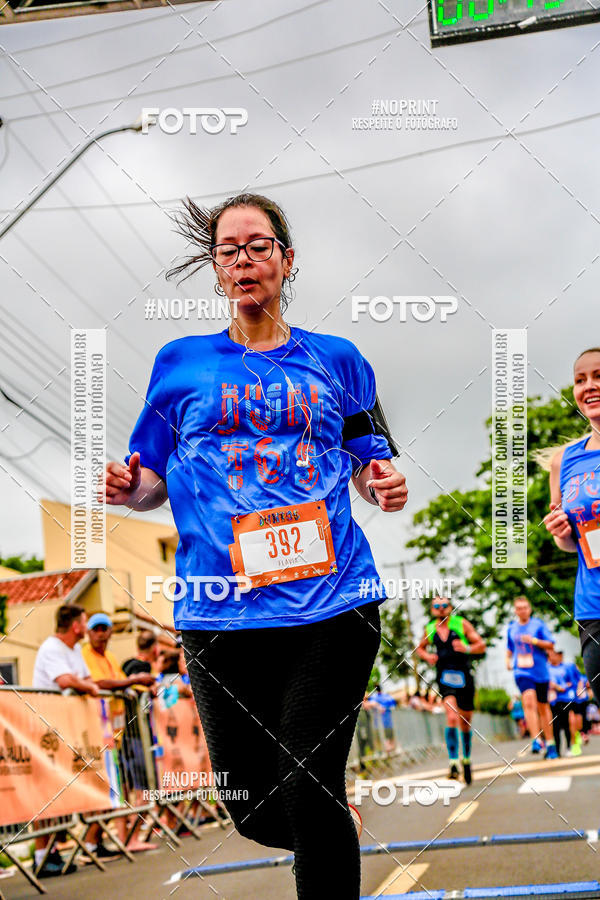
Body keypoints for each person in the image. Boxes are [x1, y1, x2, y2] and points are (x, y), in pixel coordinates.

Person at [104, 193, 408, 900]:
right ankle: (330, 823)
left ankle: (324, 823)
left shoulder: (338, 360)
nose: (243, 259)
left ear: (286, 260)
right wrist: (128, 487)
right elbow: (149, 482)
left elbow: (372, 460)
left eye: (258, 245)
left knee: (307, 781)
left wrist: (383, 483)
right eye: (228, 249)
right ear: (215, 268)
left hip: (330, 605)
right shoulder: (179, 364)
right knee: (253, 807)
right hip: (218, 612)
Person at [541, 348, 600, 706]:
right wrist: (561, 531)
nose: (589, 386)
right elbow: (569, 545)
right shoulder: (564, 461)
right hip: (593, 605)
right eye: (581, 380)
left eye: (598, 376)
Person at [82, 613, 158, 852]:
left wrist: (140, 685)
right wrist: (135, 682)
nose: (101, 633)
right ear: (88, 631)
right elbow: (100, 684)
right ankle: (94, 842)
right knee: (112, 790)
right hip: (96, 733)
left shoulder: (111, 657)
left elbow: (121, 681)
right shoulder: (85, 654)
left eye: (105, 629)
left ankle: (110, 841)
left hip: (117, 733)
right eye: (97, 629)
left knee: (119, 789)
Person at [32, 604, 99, 877]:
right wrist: (88, 687)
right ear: (76, 626)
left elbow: (85, 679)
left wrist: (88, 685)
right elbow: (65, 681)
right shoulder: (52, 648)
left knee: (60, 791)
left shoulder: (72, 650)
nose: (87, 627)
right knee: (45, 793)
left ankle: (54, 852)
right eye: (85, 622)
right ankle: (41, 856)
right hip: (46, 728)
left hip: (67, 728)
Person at [415, 597, 486, 784]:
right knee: (452, 716)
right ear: (432, 610)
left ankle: (467, 759)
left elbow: (481, 645)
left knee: (465, 721)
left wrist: (467, 648)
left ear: (451, 608)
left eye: (444, 606)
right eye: (436, 606)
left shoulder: (461, 624)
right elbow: (419, 649)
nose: (440, 609)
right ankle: (453, 761)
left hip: (464, 675)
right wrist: (428, 656)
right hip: (444, 677)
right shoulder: (429, 629)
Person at [506, 597, 557, 759]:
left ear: (530, 609)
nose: (522, 610)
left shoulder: (538, 625)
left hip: (540, 671)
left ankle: (550, 743)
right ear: (515, 610)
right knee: (528, 700)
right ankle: (537, 740)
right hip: (521, 671)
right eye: (519, 608)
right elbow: (509, 648)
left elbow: (551, 644)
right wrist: (507, 660)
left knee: (543, 707)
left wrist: (533, 640)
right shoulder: (511, 628)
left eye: (525, 607)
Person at [547, 648, 573, 756]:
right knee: (555, 726)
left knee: (566, 724)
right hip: (553, 701)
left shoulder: (566, 668)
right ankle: (557, 750)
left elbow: (572, 682)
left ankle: (568, 748)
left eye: (554, 655)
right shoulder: (547, 669)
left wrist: (562, 687)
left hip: (565, 699)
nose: (552, 657)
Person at [372, 683, 397, 751]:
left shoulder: (374, 697)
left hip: (383, 723)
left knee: (386, 739)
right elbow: (394, 706)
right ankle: (389, 751)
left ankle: (388, 752)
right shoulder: (387, 696)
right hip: (385, 723)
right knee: (389, 739)